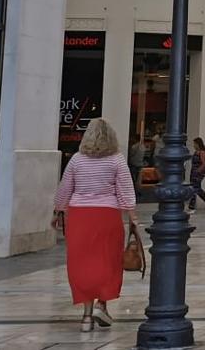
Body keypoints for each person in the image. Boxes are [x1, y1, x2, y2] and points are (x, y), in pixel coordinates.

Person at [51, 118, 138, 332]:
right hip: (107, 215)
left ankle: (86, 317)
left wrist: (58, 211)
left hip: (80, 216)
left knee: (83, 263)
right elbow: (125, 191)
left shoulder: (77, 160)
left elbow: (64, 189)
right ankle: (102, 305)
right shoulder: (116, 160)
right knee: (108, 261)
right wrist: (133, 219)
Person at [187, 137, 205, 210]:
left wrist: (198, 171)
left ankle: (191, 207)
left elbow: (203, 163)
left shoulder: (202, 152)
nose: (194, 145)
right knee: (197, 189)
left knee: (194, 189)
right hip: (193, 172)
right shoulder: (196, 152)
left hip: (198, 173)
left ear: (198, 144)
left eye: (195, 144)